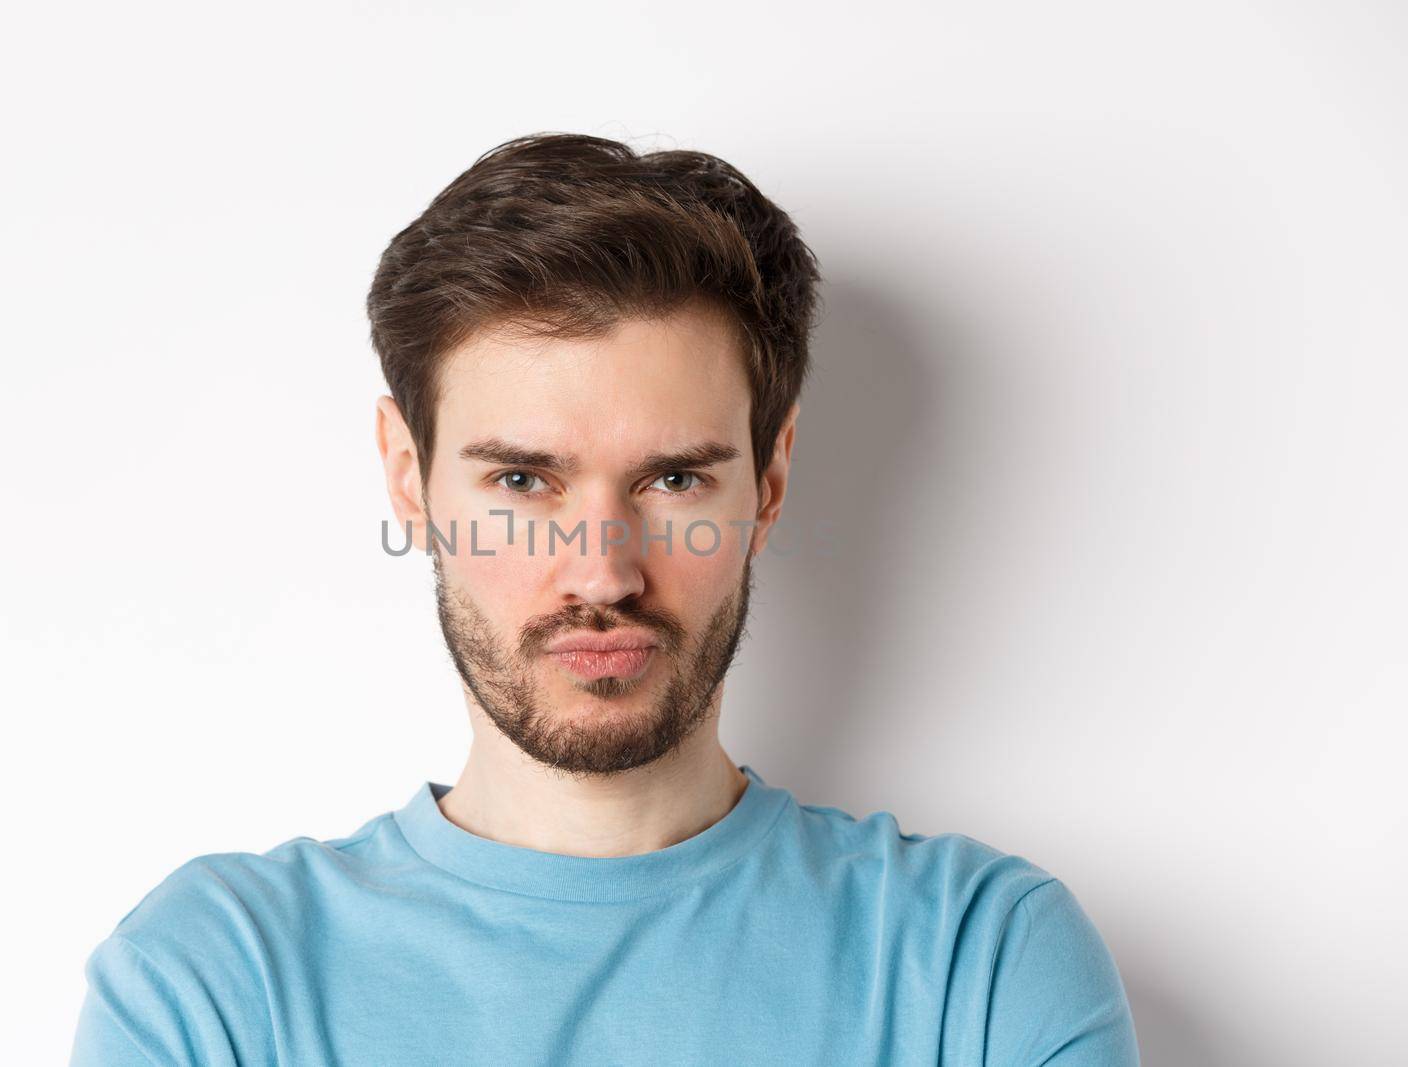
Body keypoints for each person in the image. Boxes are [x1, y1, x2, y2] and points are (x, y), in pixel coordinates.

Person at [69, 132, 1140, 1066]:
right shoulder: (210, 985)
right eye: (523, 481)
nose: (602, 572)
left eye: (674, 480)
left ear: (767, 483)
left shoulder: (977, 960)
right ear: (409, 477)